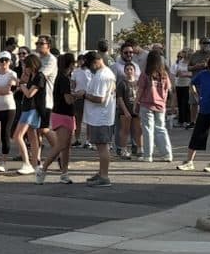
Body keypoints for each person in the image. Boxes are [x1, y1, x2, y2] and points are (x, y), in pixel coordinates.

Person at [77, 52, 117, 186]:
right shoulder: (106, 73)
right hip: (100, 116)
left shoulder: (102, 76)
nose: (90, 68)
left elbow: (100, 99)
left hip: (101, 116)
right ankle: (101, 172)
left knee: (102, 147)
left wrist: (84, 95)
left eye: (90, 65)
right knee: (101, 146)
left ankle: (104, 176)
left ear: (97, 61)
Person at [40, 53, 79, 185]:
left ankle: (64, 173)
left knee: (67, 146)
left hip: (67, 114)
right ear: (70, 64)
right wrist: (79, 95)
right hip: (62, 114)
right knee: (61, 145)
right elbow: (68, 100)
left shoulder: (65, 77)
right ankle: (43, 169)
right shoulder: (63, 79)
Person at [10, 53, 47, 175]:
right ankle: (35, 163)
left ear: (32, 65)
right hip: (28, 108)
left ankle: (27, 162)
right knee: (32, 136)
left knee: (17, 136)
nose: (25, 68)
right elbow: (23, 83)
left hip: (32, 109)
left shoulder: (39, 77)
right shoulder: (32, 76)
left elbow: (30, 94)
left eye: (26, 65)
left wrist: (22, 85)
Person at [136, 50, 174, 163]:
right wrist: (165, 103)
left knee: (148, 129)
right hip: (161, 105)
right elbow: (168, 90)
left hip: (146, 104)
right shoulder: (164, 75)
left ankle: (148, 155)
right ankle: (167, 154)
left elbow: (140, 90)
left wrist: (136, 103)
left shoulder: (145, 73)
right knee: (161, 129)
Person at [115, 62, 140, 159]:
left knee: (137, 130)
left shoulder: (138, 83)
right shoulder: (122, 83)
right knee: (124, 130)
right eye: (127, 69)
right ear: (124, 71)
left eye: (131, 69)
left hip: (136, 110)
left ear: (134, 71)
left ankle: (139, 149)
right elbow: (120, 98)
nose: (129, 71)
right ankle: (123, 150)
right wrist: (125, 111)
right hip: (125, 110)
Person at [171, 50, 195, 127]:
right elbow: (176, 73)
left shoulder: (191, 63)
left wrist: (185, 74)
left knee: (186, 103)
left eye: (185, 53)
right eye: (183, 53)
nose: (184, 55)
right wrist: (178, 74)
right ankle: (180, 121)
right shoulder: (180, 62)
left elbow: (193, 73)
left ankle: (187, 120)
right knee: (180, 103)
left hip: (187, 84)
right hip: (179, 84)